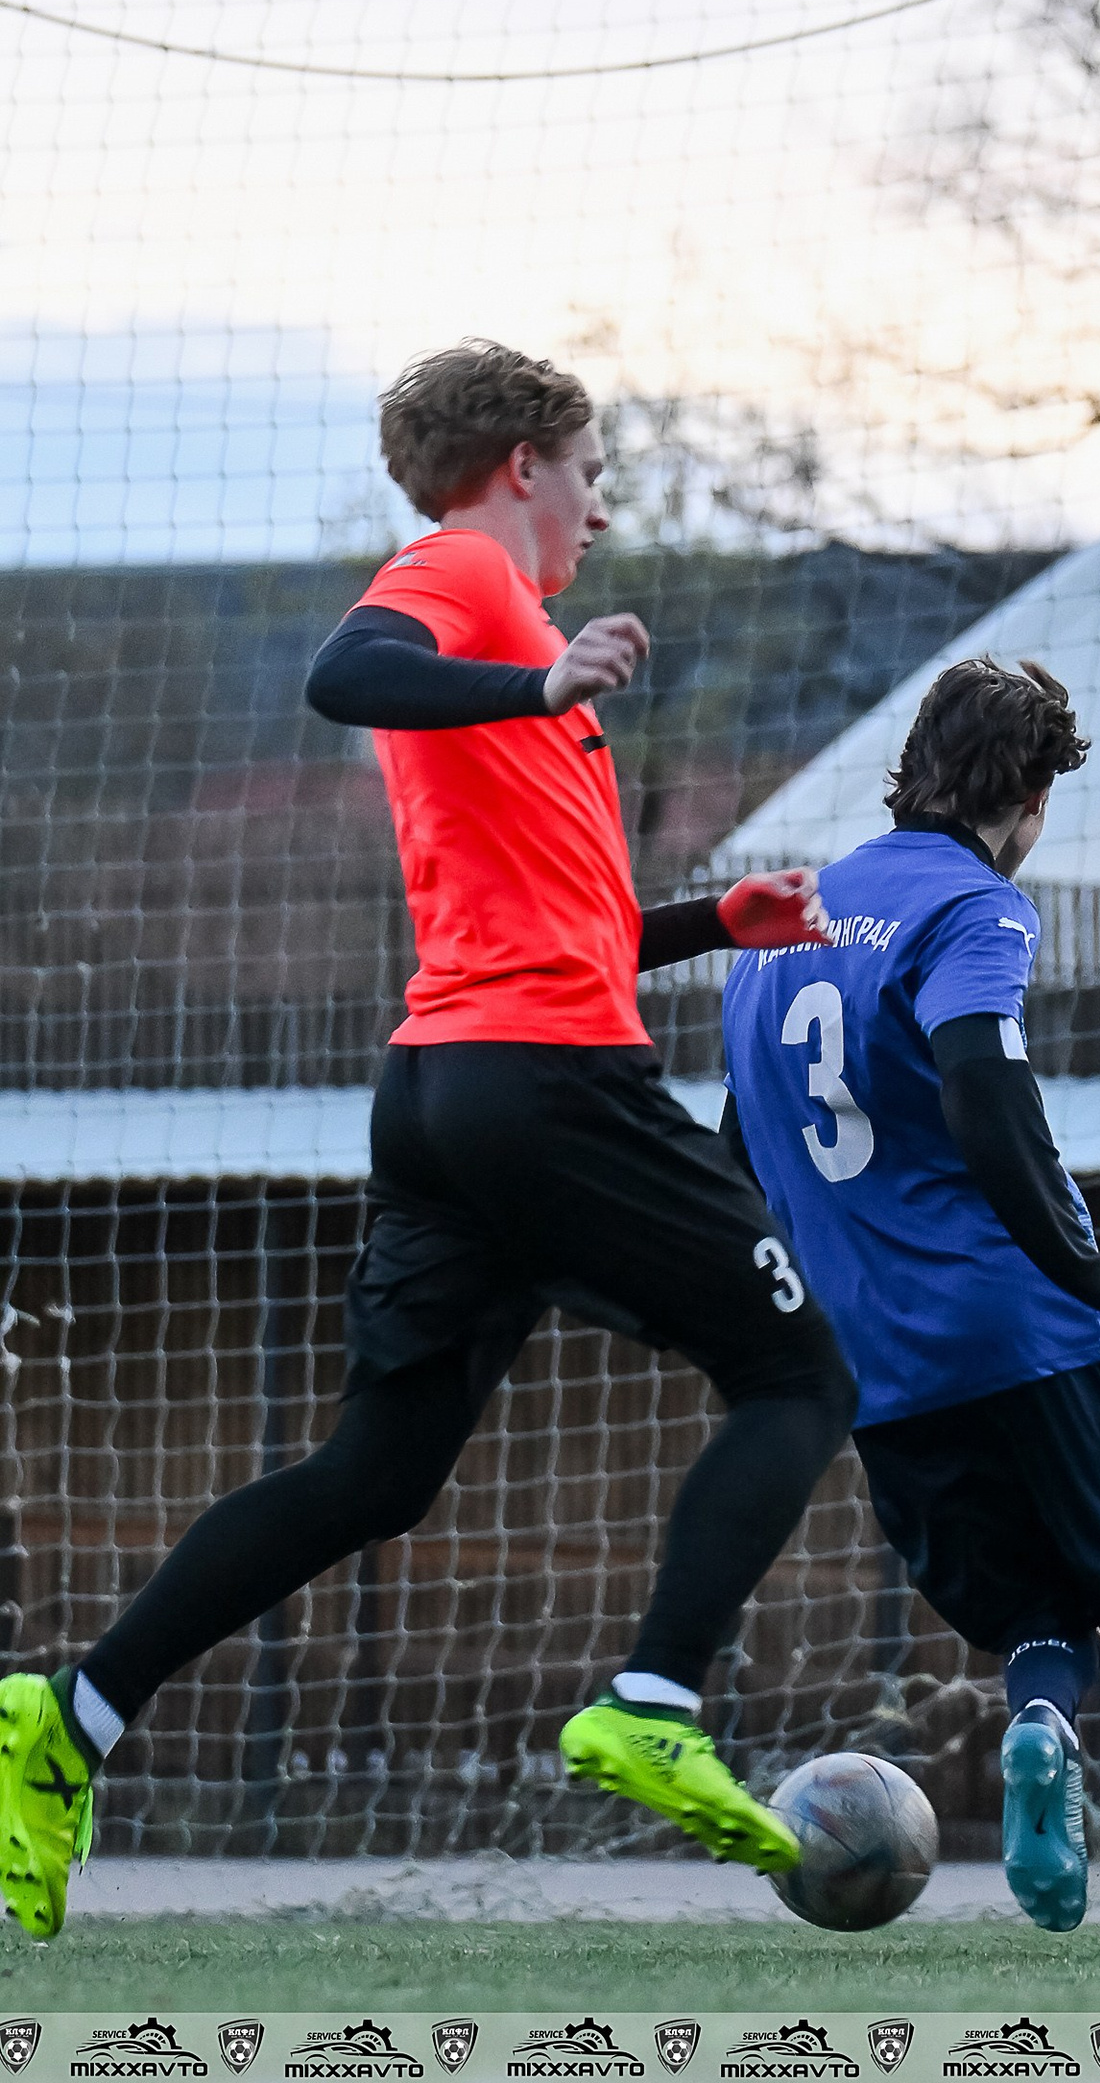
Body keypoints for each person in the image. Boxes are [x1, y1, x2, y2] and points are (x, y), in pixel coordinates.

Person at [0, 341, 855, 1943]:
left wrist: (715, 921)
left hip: (453, 1092)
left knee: (376, 1474)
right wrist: (541, 683)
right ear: (522, 465)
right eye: (591, 472)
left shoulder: (515, 640)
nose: (602, 507)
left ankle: (68, 1717)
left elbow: (568, 924)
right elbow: (344, 672)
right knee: (802, 1375)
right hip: (543, 1085)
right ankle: (655, 1703)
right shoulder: (467, 575)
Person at [719, 655, 1100, 1961]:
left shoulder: (787, 920)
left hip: (878, 1362)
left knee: (1038, 1611)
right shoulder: (977, 909)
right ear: (1030, 797)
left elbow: (739, 1152)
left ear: (913, 766)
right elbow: (986, 1094)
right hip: (1022, 1323)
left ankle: (1040, 1723)